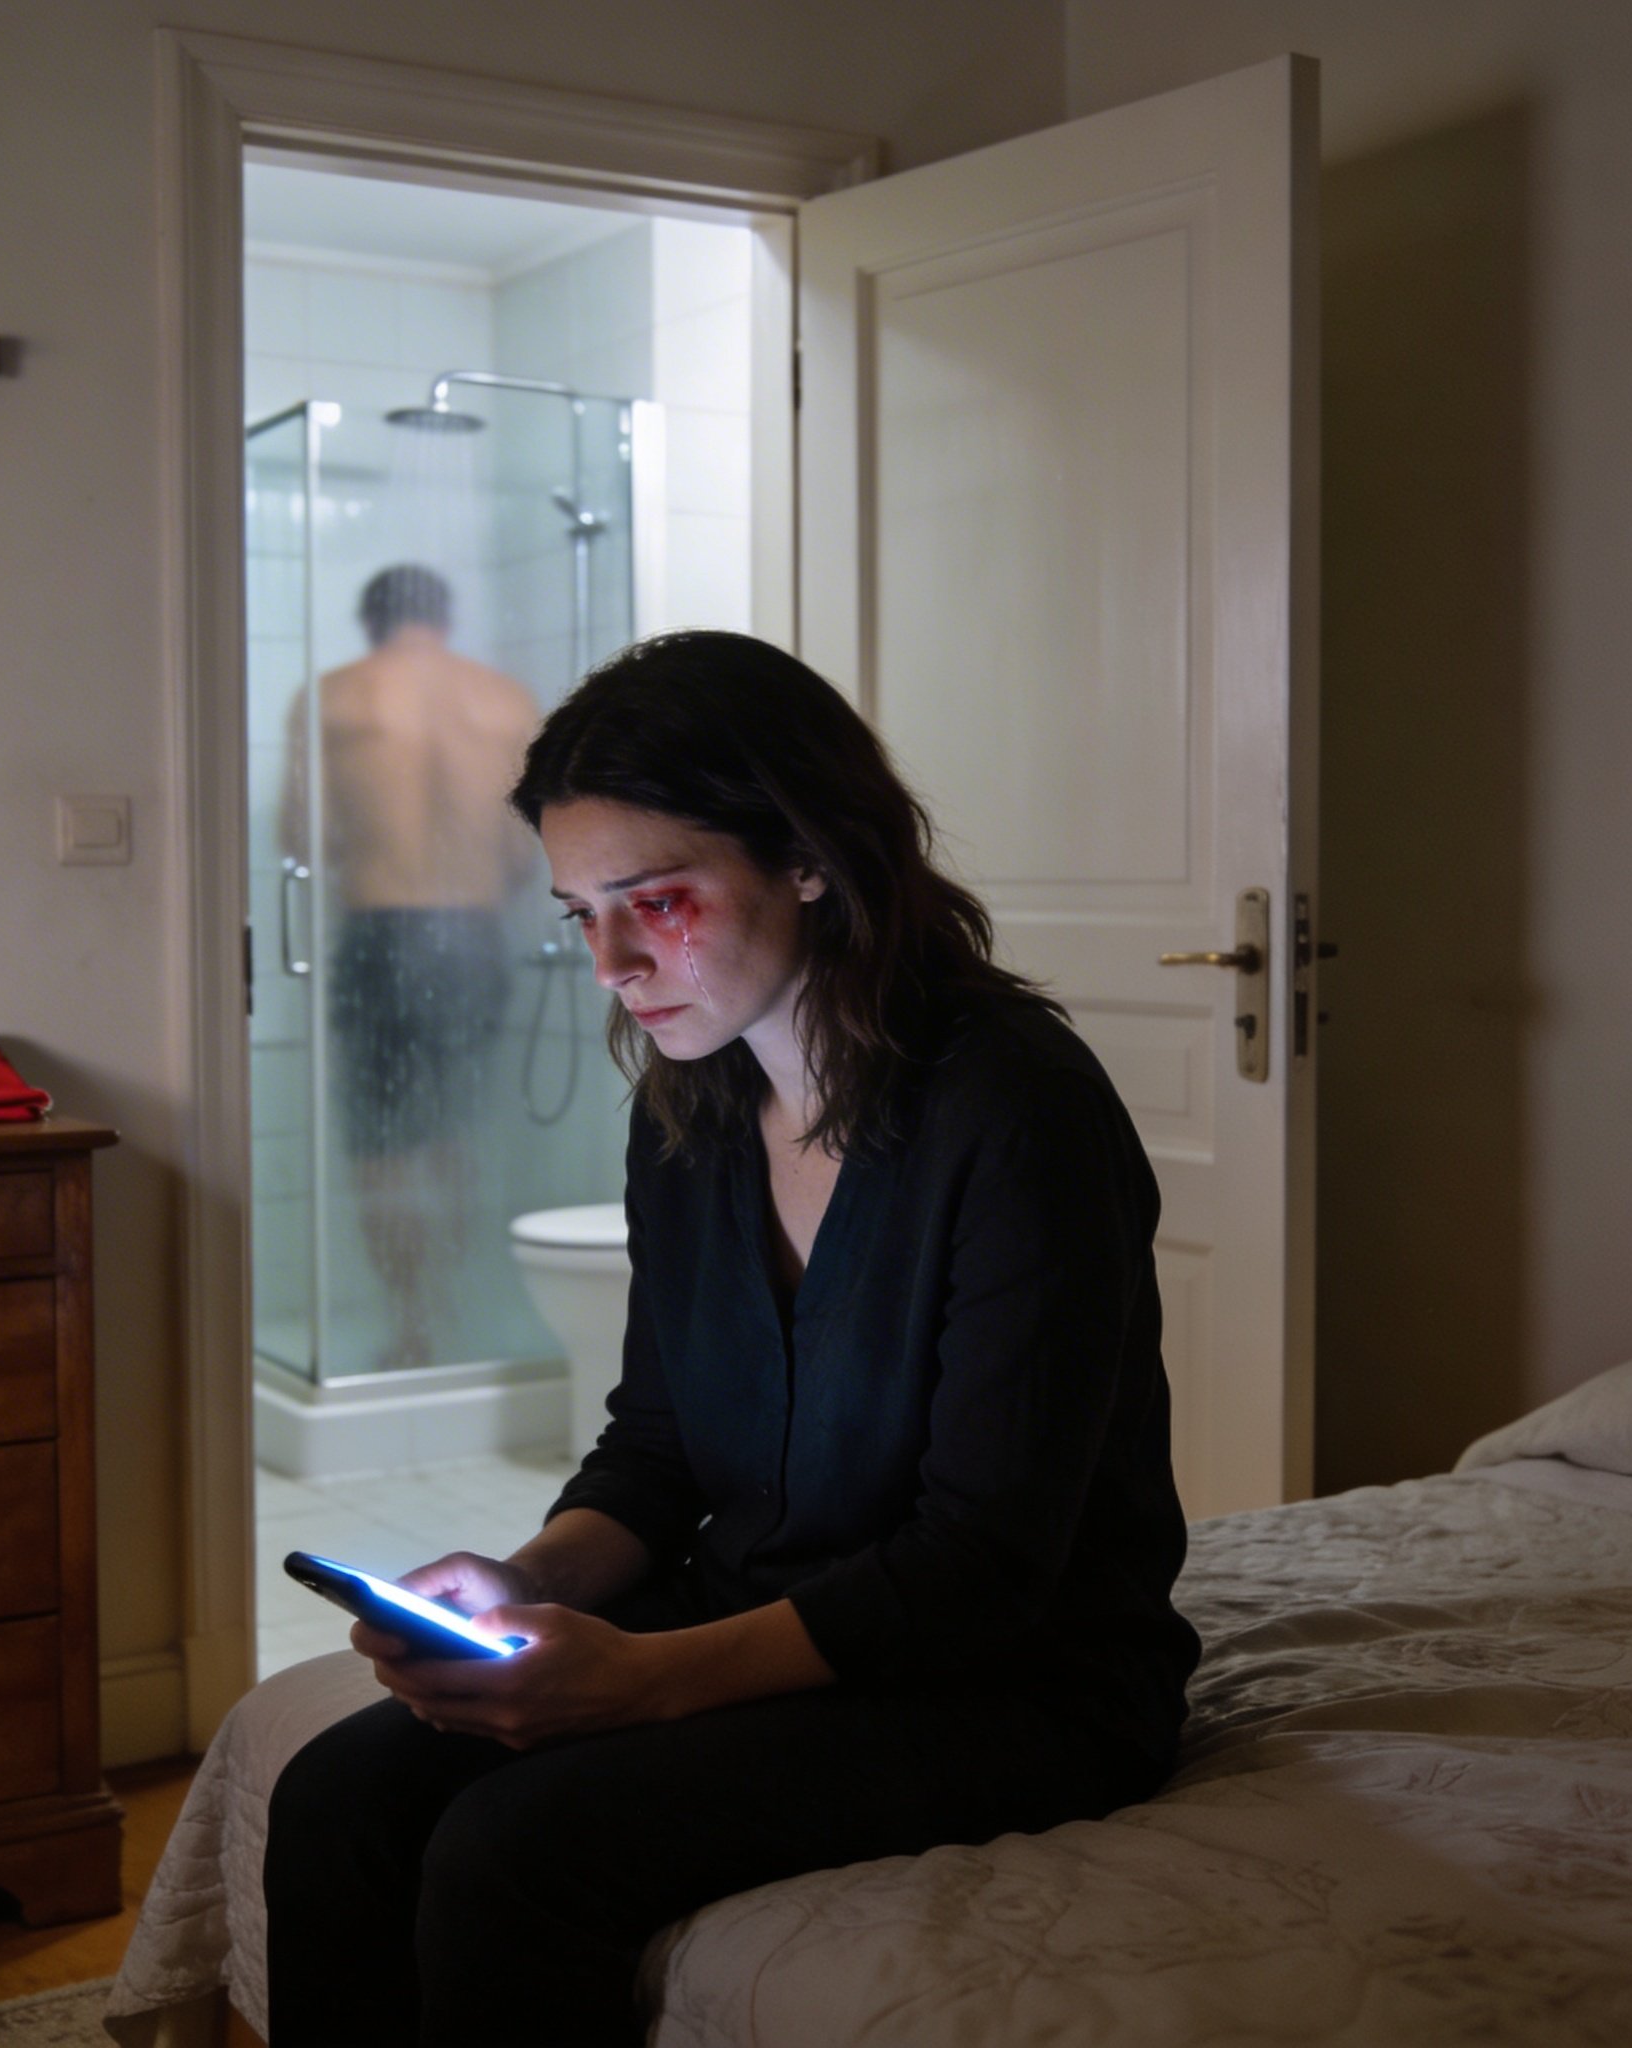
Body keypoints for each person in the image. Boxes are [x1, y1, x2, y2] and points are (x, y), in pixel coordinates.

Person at [264, 630, 1201, 2046]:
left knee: (514, 1848)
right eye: (580, 914)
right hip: (753, 1611)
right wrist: (522, 1580)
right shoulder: (689, 1112)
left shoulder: (1016, 1111)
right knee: (336, 1796)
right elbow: (654, 1448)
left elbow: (983, 1564)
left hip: (1011, 1679)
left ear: (809, 856)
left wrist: (642, 1680)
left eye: (655, 901)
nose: (611, 963)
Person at [281, 565, 541, 1367]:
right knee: (452, 1133)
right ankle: (453, 1307)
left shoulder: (335, 695)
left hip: (382, 930)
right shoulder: (507, 701)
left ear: (371, 621)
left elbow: (300, 834)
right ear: (445, 618)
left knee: (382, 1145)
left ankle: (412, 1324)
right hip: (477, 937)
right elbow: (528, 852)